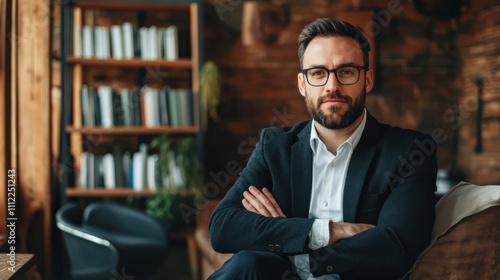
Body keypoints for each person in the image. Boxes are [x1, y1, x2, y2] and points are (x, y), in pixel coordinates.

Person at [208, 18, 437, 280]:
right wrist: (328, 231)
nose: (332, 86)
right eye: (318, 73)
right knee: (246, 264)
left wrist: (298, 254)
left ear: (367, 80)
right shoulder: (275, 146)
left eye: (347, 71)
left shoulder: (408, 151)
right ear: (302, 84)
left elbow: (398, 244)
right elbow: (223, 228)